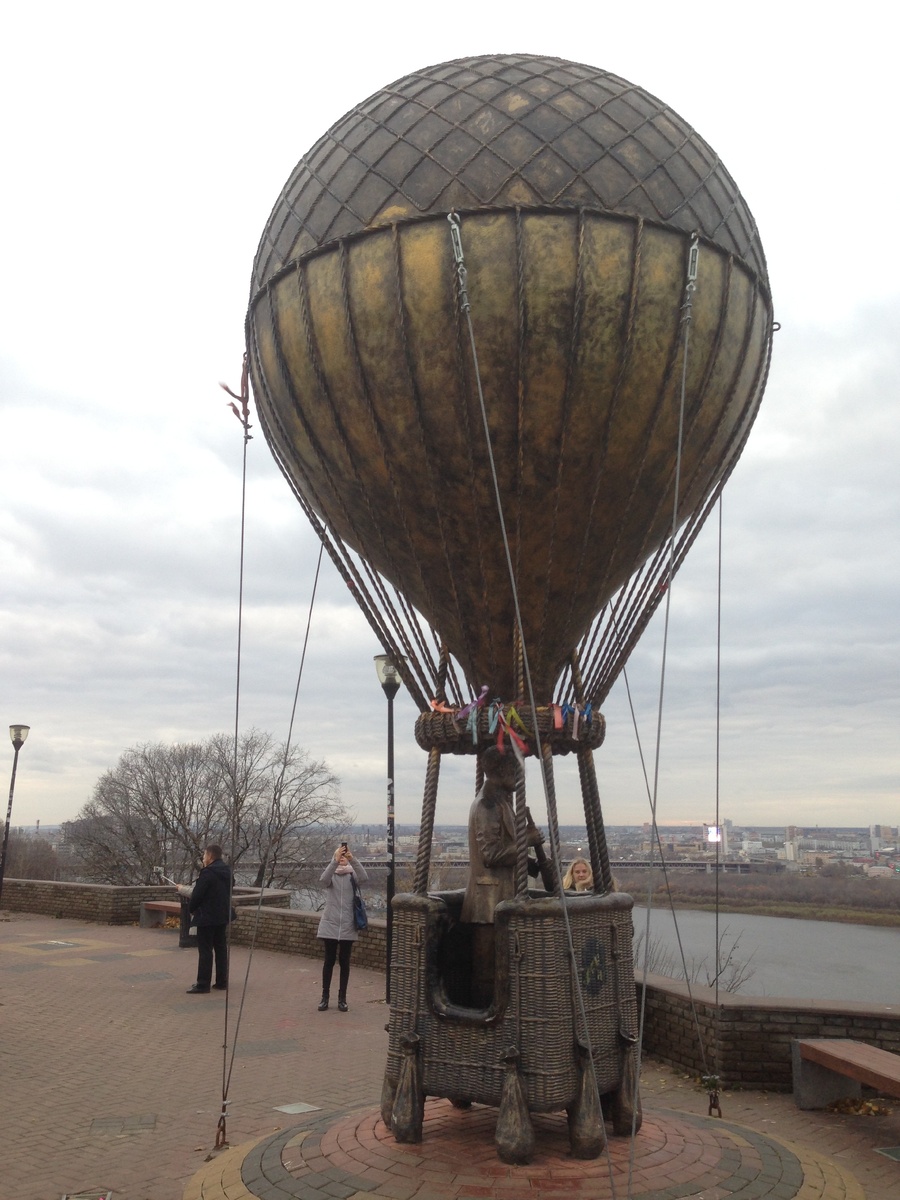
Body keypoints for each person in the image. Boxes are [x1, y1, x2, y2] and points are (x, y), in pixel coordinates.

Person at [461, 746, 543, 1007]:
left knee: (500, 971)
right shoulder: (488, 804)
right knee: (488, 975)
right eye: (516, 770)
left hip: (499, 902)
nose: (520, 777)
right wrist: (526, 840)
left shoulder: (500, 801)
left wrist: (531, 865)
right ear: (501, 770)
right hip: (488, 905)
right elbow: (491, 856)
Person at [316, 841, 368, 1012]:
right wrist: (334, 860)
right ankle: (325, 997)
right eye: (340, 856)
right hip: (330, 924)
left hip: (347, 925)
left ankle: (342, 998)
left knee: (344, 962)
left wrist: (353, 860)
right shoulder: (331, 875)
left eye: (344, 857)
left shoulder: (352, 876)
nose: (342, 859)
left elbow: (364, 878)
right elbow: (323, 881)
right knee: (329, 961)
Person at [177, 844, 233, 994]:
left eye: (203, 856)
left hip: (207, 917)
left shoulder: (207, 873)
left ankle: (203, 984)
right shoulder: (227, 872)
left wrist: (192, 909)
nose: (203, 859)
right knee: (221, 948)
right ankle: (222, 982)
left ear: (210, 856)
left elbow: (197, 895)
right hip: (222, 915)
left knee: (206, 950)